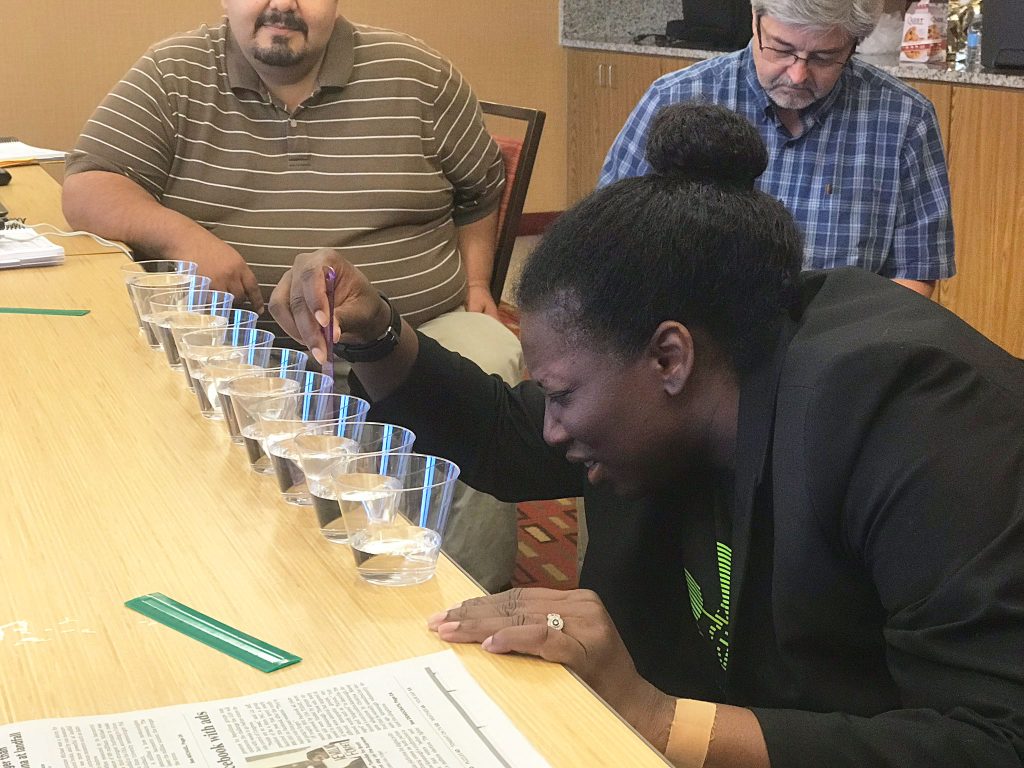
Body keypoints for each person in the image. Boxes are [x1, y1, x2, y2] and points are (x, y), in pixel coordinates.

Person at [269, 103, 1024, 767]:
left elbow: (994, 743)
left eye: (561, 396)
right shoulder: (699, 381)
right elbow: (505, 435)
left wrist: (660, 720)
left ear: (669, 357)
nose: (552, 426)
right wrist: (374, 332)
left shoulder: (921, 424)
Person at [61, 0, 522, 592]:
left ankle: (471, 596)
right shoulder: (173, 72)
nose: (282, 4)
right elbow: (87, 186)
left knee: (489, 356)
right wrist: (184, 237)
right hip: (238, 348)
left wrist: (478, 284)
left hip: (412, 332)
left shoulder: (419, 72)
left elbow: (481, 188)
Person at [600, 0, 953, 299]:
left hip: (840, 344)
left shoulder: (905, 120)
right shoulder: (674, 98)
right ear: (755, 20)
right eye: (782, 49)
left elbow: (916, 271)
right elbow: (609, 241)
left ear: (854, 45)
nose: (797, 75)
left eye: (824, 57)